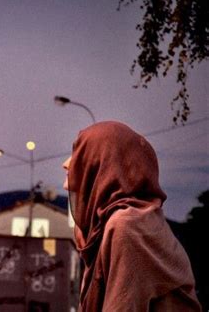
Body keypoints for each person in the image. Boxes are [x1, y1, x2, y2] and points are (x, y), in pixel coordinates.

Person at [62, 121, 201, 311]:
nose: (67, 186)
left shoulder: (127, 226)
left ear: (105, 172)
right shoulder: (128, 223)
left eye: (83, 163)